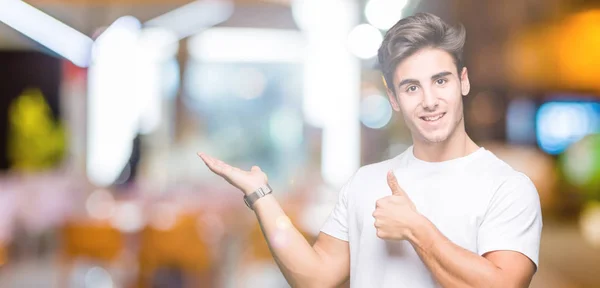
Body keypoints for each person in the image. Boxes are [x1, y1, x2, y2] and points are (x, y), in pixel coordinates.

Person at [198, 12, 542, 288]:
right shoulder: (367, 181)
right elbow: (314, 277)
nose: (429, 100)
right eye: (411, 87)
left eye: (441, 80)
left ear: (463, 81)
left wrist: (416, 228)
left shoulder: (507, 187)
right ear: (393, 98)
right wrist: (261, 197)